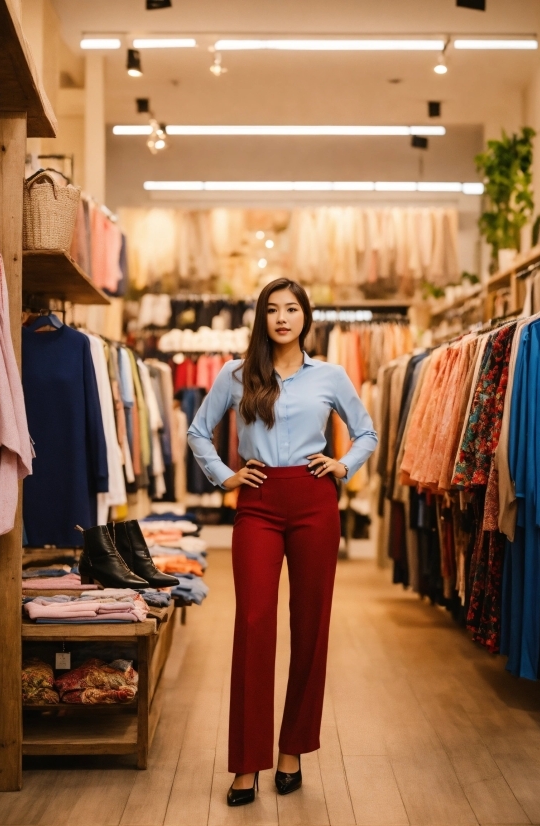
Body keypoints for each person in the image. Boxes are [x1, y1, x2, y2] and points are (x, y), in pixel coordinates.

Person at [187, 278, 378, 806]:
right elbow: (198, 431)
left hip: (315, 499)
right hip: (259, 498)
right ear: (261, 318)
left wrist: (343, 466)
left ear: (305, 317)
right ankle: (247, 761)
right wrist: (224, 476)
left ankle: (292, 750)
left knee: (311, 623)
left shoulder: (331, 375)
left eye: (291, 309)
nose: (282, 318)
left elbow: (368, 432)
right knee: (252, 623)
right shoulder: (235, 374)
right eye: (272, 309)